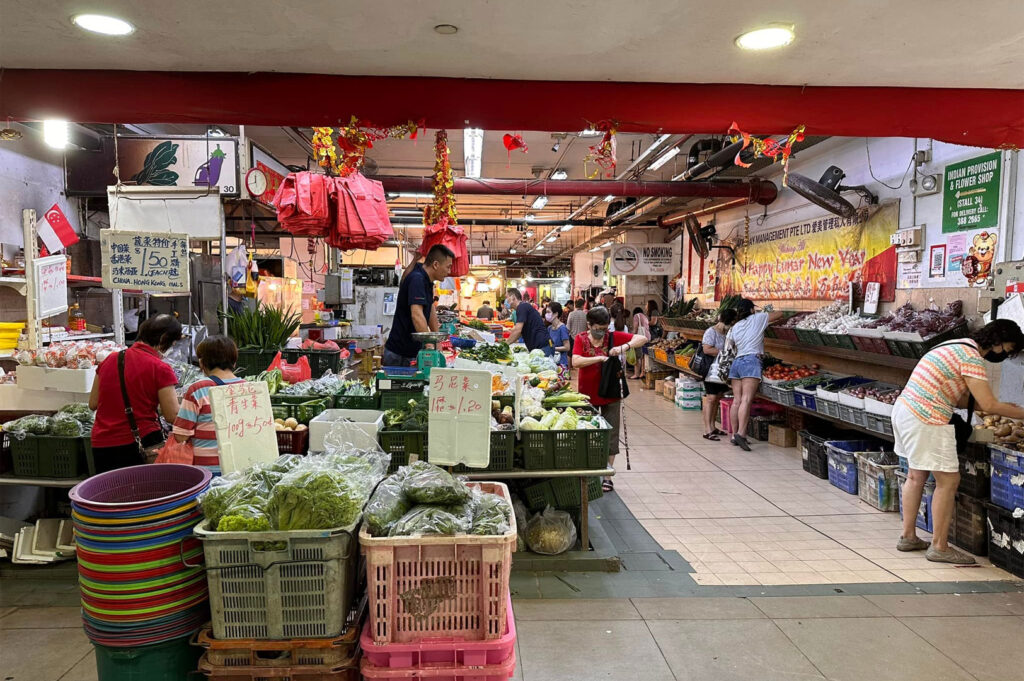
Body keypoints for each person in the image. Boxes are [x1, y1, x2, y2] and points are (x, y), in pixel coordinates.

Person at [895, 319, 1024, 564]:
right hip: (927, 416)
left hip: (906, 409)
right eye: (1007, 350)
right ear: (997, 342)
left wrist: (1003, 409)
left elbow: (964, 399)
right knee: (949, 479)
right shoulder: (972, 356)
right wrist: (1016, 411)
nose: (1005, 356)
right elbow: (988, 404)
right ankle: (940, 547)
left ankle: (908, 536)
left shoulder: (954, 345)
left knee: (916, 475)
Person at [89, 314, 182, 473]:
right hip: (141, 444)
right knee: (142, 494)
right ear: (163, 339)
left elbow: (93, 404)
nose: (171, 348)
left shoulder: (110, 359)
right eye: (172, 343)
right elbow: (172, 415)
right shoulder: (159, 368)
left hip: (102, 445)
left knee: (111, 495)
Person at [573, 306, 647, 491]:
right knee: (586, 432)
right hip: (586, 395)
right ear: (589, 325)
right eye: (598, 327)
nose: (601, 331)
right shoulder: (580, 338)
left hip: (611, 393)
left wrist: (624, 347)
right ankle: (587, 472)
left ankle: (607, 475)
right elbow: (576, 361)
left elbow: (643, 338)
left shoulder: (612, 338)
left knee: (611, 434)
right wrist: (599, 358)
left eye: (605, 328)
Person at [172, 335, 246, 471]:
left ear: (202, 363)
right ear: (234, 362)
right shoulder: (249, 388)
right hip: (239, 468)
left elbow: (181, 435)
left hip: (207, 471)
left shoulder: (197, 389)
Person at [725, 299, 784, 450]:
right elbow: (779, 314)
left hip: (737, 362)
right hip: (751, 361)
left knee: (736, 401)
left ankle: (733, 435)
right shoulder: (758, 318)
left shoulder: (735, 326)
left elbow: (730, 345)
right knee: (746, 400)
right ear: (751, 310)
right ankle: (742, 434)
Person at [383, 245, 454, 366]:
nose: (449, 272)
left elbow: (430, 308)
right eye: (448, 267)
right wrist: (429, 343)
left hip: (412, 351)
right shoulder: (417, 279)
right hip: (400, 354)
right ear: (436, 265)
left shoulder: (427, 279)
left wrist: (437, 341)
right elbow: (417, 315)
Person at [700, 308, 738, 441]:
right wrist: (725, 352)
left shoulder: (727, 333)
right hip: (711, 370)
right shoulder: (711, 332)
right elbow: (707, 349)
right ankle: (708, 429)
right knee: (711, 398)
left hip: (721, 371)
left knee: (717, 398)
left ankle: (713, 426)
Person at [505, 288, 553, 355]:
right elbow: (520, 332)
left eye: (506, 297)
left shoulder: (522, 307)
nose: (505, 300)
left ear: (513, 297)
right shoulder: (522, 307)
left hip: (543, 347)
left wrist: (505, 345)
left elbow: (518, 331)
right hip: (540, 347)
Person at [545, 302, 571, 368]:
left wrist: (553, 348)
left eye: (548, 312)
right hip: (552, 362)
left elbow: (567, 347)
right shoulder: (549, 328)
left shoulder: (562, 328)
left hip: (561, 364)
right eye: (546, 312)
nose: (546, 315)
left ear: (556, 314)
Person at [629, 306, 651, 379]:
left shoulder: (636, 316)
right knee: (644, 356)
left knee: (638, 356)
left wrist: (630, 336)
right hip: (647, 338)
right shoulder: (645, 316)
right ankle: (642, 373)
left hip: (640, 338)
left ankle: (636, 374)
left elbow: (635, 329)